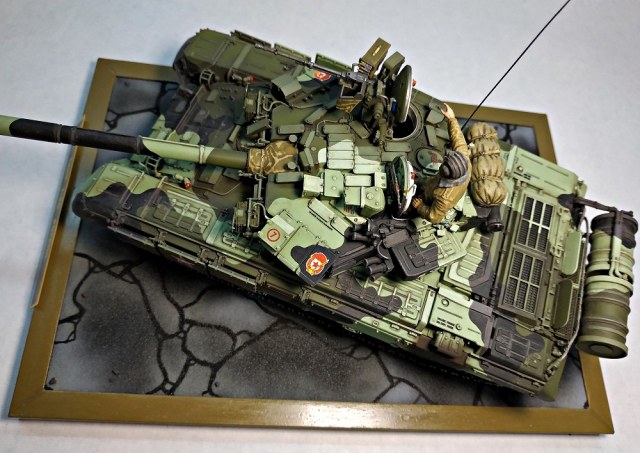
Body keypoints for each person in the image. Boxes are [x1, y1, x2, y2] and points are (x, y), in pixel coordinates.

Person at [411, 103, 471, 223]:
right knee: (423, 181)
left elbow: (434, 217)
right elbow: (458, 139)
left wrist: (420, 206)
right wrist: (452, 119)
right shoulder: (463, 159)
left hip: (430, 195)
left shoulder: (444, 197)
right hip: (433, 182)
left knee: (409, 206)